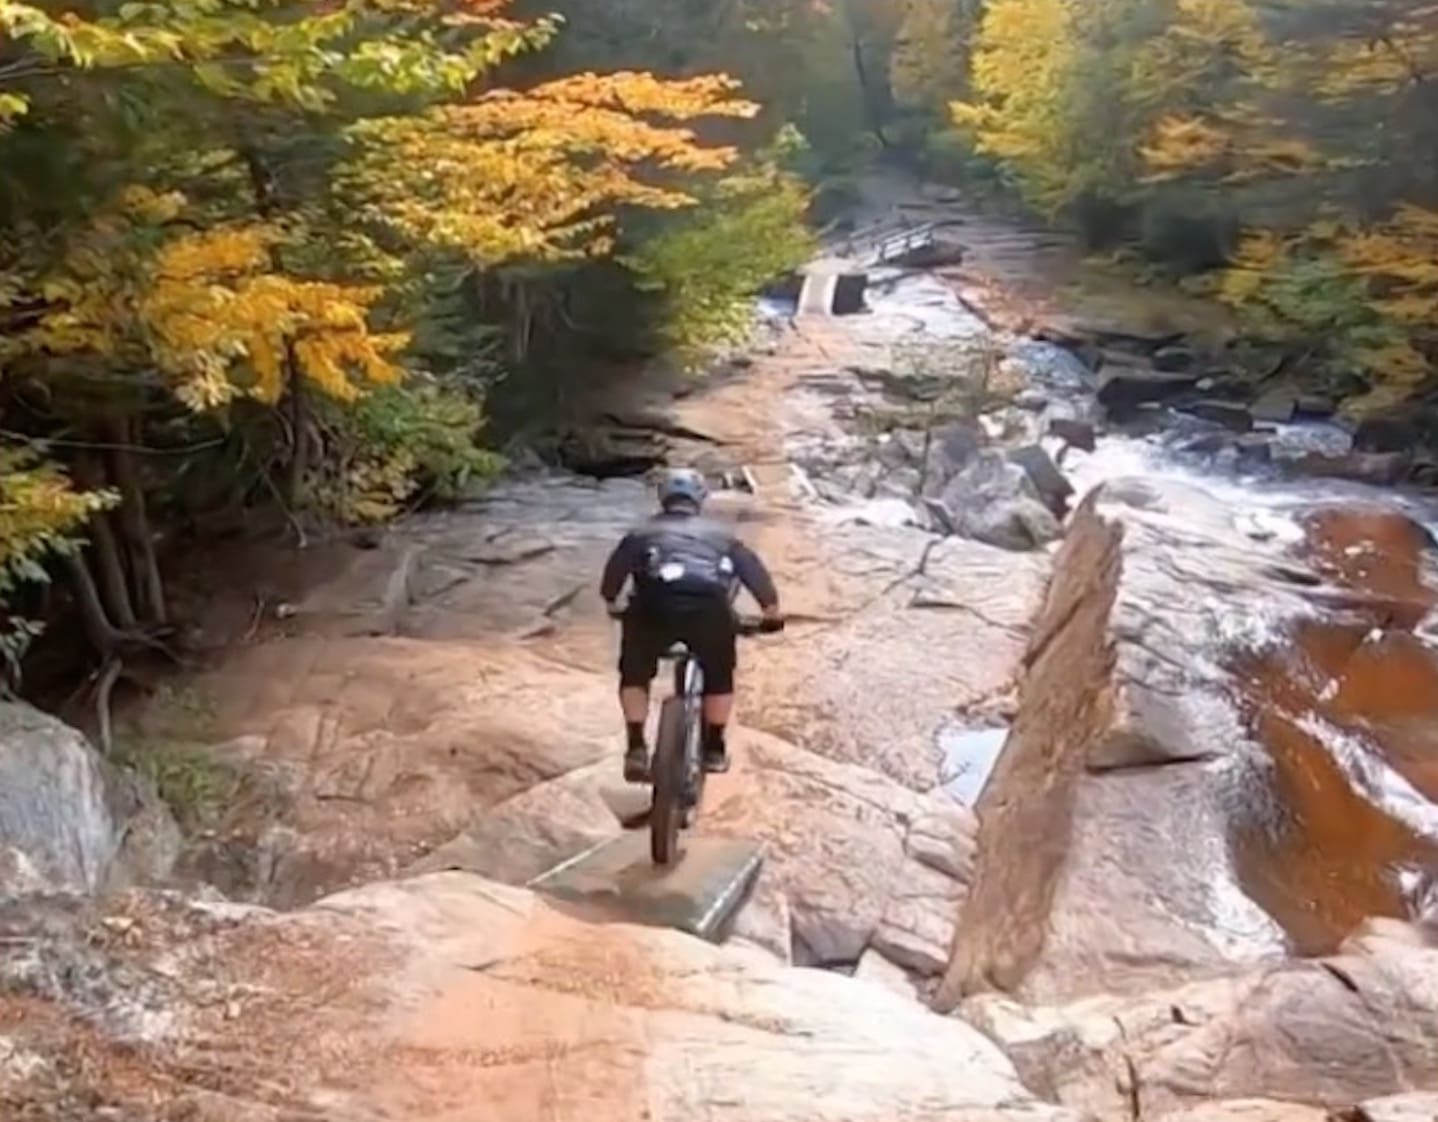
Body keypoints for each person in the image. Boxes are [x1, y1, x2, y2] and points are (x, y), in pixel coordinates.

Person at [600, 467, 782, 782]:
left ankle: (636, 746)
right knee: (719, 674)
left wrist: (613, 604)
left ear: (663, 498)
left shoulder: (641, 533)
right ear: (699, 499)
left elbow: (613, 577)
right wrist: (771, 613)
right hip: (708, 608)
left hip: (652, 606)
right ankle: (714, 748)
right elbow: (753, 572)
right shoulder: (722, 536)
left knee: (635, 671)